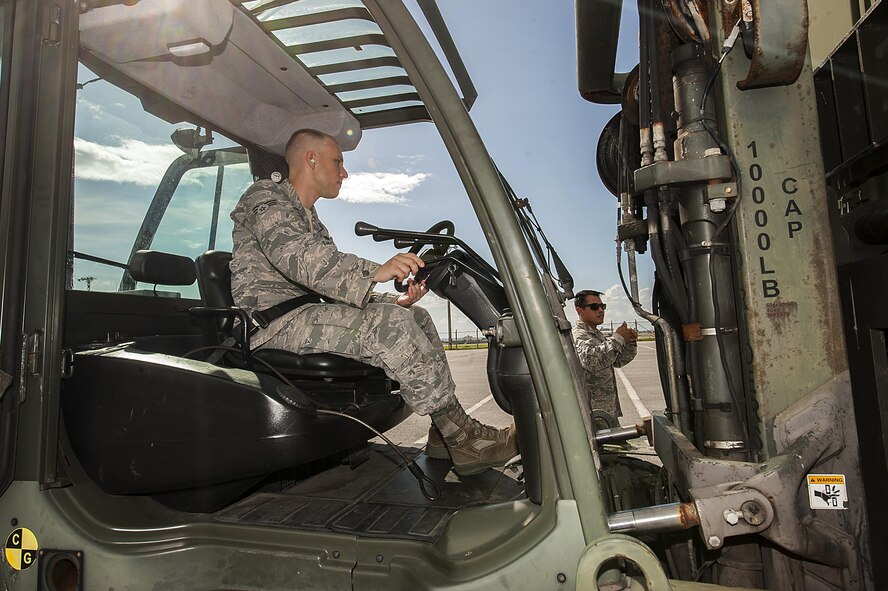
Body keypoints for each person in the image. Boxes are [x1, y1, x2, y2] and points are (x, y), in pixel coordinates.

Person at [229, 128, 517, 476]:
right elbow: (297, 257)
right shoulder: (266, 197)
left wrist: (393, 299)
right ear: (311, 159)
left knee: (416, 317)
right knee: (391, 326)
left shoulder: (311, 221)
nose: (344, 172)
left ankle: (444, 432)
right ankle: (464, 439)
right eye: (338, 162)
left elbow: (331, 285)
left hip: (305, 315)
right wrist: (375, 270)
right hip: (272, 325)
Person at [572, 290, 638, 423]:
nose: (601, 310)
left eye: (603, 306)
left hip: (607, 413)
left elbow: (617, 361)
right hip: (592, 415)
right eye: (594, 307)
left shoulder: (597, 335)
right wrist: (618, 338)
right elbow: (592, 361)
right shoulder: (578, 335)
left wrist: (629, 342)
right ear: (580, 310)